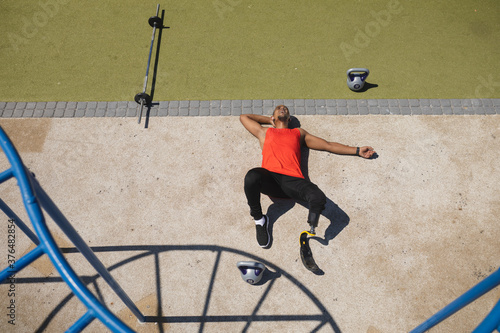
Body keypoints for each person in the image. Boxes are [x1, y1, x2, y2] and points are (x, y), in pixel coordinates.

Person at [240, 105, 375, 248]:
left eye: (285, 109)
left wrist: (357, 150)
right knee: (252, 176)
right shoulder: (265, 132)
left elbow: (327, 145)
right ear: (273, 116)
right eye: (278, 108)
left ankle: (312, 228)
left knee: (317, 197)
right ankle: (260, 220)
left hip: (293, 182)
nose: (282, 108)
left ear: (289, 118)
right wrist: (269, 120)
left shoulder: (298, 133)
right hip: (270, 179)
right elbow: (244, 117)